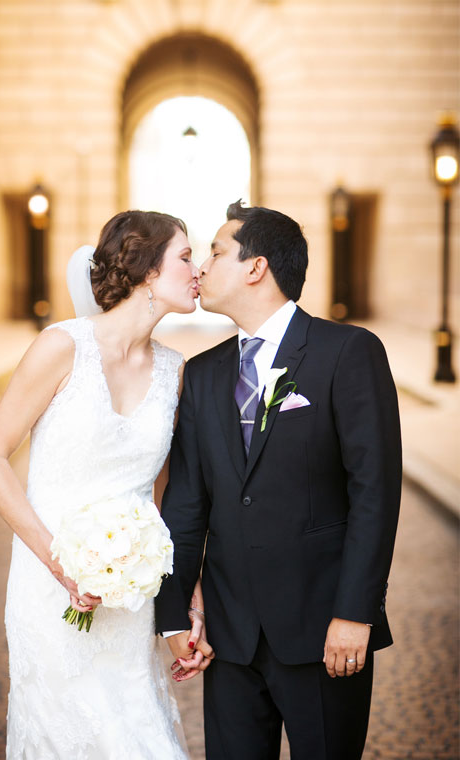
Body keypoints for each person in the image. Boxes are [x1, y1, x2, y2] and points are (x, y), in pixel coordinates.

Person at [156, 201, 402, 759]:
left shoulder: (348, 352)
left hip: (324, 631)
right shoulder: (203, 374)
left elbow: (375, 495)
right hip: (230, 637)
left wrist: (355, 612)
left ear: (255, 266)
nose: (201, 268)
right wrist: (174, 617)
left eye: (215, 253)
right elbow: (187, 504)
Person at [0, 211, 211, 759]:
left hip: (130, 595)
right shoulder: (63, 347)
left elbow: (163, 498)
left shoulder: (176, 372)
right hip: (50, 587)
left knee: (136, 734)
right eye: (185, 257)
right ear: (149, 271)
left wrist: (187, 597)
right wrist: (60, 563)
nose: (196, 271)